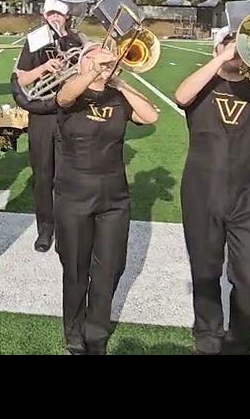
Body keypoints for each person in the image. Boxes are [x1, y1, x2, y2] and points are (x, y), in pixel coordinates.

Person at [172, 26, 250, 355]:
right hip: (202, 189)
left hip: (249, 193)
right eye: (230, 42)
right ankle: (208, 333)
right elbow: (181, 97)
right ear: (217, 48)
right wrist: (222, 57)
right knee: (205, 267)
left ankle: (240, 338)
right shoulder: (203, 83)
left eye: (242, 44)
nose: (237, 49)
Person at [52, 45, 159, 354]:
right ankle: (73, 329)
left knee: (110, 265)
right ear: (82, 61)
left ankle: (96, 328)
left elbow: (150, 116)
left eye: (105, 53)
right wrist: (92, 72)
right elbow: (64, 97)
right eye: (93, 52)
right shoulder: (71, 92)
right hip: (74, 192)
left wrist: (120, 82)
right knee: (75, 266)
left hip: (114, 194)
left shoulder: (118, 96)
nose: (102, 56)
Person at [13, 0, 86, 252]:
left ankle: (67, 229)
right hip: (42, 115)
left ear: (66, 16)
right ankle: (45, 230)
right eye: (50, 13)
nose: (54, 17)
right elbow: (21, 79)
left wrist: (73, 70)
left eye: (59, 14)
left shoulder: (78, 41)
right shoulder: (35, 40)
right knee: (43, 176)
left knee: (68, 176)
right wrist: (45, 67)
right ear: (44, 15)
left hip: (71, 114)